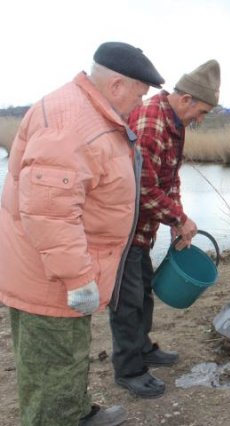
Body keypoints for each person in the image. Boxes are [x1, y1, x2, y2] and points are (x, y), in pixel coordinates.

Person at [0, 41, 164, 425]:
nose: (140, 105)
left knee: (69, 350)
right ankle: (58, 418)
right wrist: (77, 277)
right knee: (52, 360)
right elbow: (49, 210)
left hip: (62, 265)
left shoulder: (93, 112)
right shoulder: (71, 123)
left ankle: (75, 412)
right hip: (50, 275)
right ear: (118, 85)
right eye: (140, 94)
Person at [109, 60, 221, 398]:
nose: (199, 120)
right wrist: (177, 218)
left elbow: (169, 179)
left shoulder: (175, 123)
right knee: (126, 301)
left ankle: (142, 348)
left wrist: (178, 221)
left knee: (143, 289)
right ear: (185, 99)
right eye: (200, 112)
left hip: (143, 228)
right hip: (123, 226)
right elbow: (141, 187)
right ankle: (129, 369)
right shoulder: (151, 121)